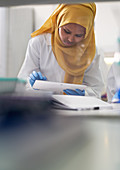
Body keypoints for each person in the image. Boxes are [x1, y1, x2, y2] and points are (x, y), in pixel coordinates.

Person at [18, 3, 104, 97]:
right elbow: (21, 83)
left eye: (78, 35)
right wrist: (32, 85)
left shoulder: (89, 51)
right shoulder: (39, 43)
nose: (71, 39)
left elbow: (96, 88)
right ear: (58, 22)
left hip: (76, 109)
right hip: (45, 107)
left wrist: (85, 93)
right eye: (66, 31)